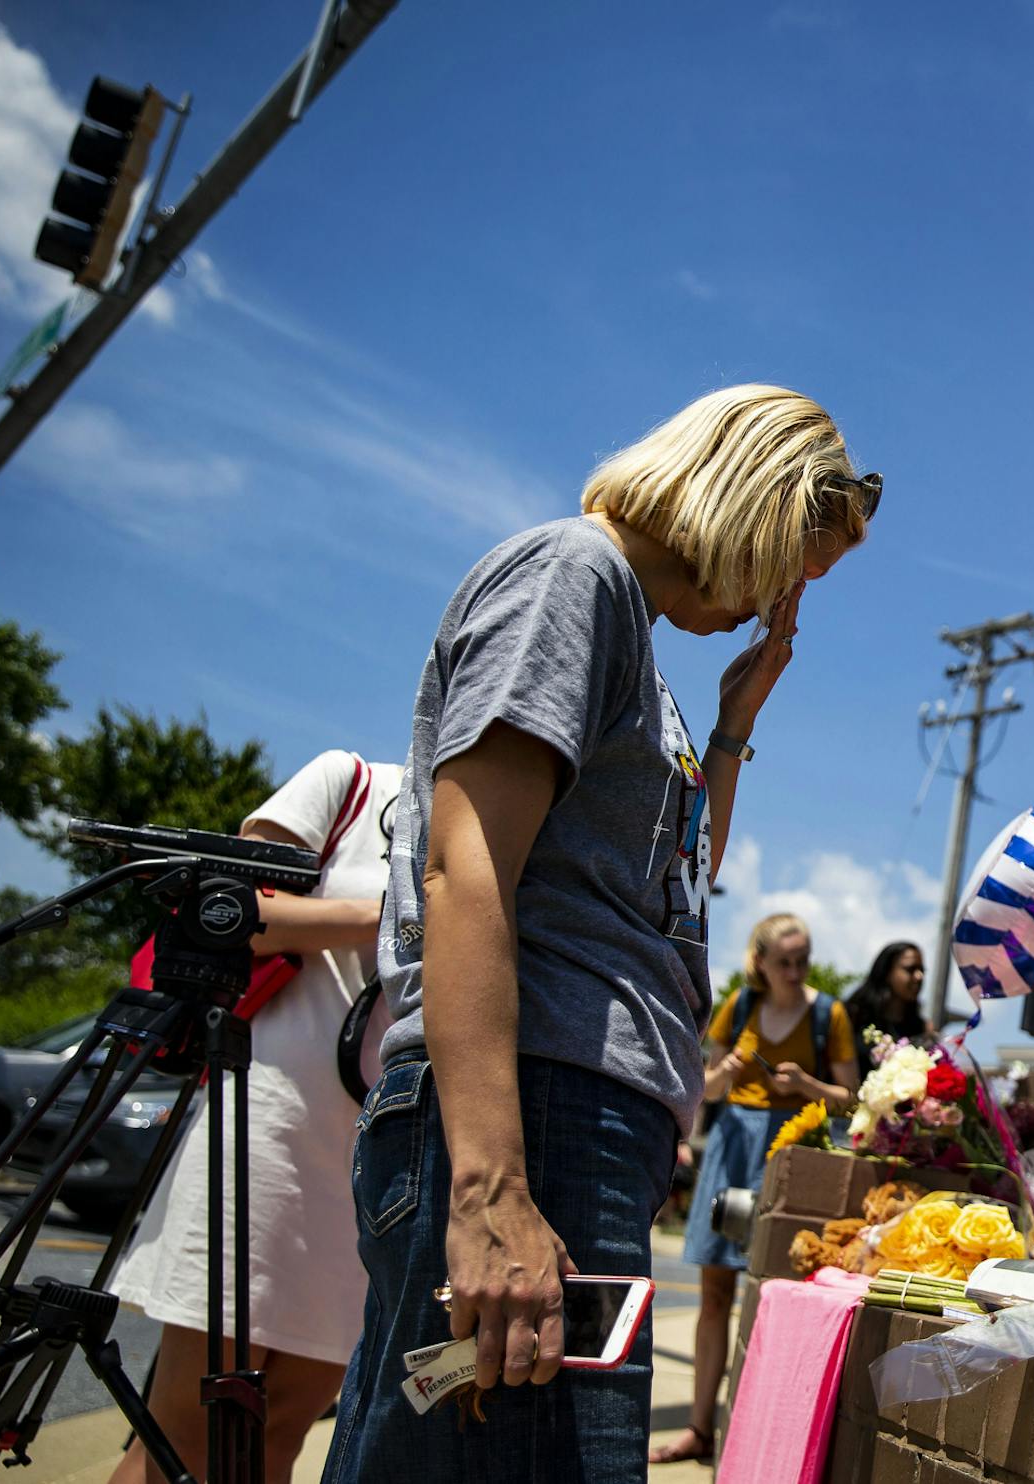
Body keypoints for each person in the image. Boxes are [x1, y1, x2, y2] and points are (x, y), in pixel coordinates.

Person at [320, 385, 877, 1483]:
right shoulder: (576, 577)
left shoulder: (639, 642)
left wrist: (733, 724)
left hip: (579, 1111)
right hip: (534, 1101)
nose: (781, 608)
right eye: (792, 570)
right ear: (753, 504)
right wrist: (490, 1188)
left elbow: (671, 885)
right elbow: (465, 863)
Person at [109, 750, 403, 1484]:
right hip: (267, 1120)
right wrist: (393, 918)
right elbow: (227, 914)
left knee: (278, 1438)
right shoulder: (354, 782)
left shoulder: (502, 824)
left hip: (379, 1162)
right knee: (181, 1433)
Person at [656, 912, 858, 1466]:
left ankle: (753, 1437)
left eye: (803, 961)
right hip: (731, 1148)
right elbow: (706, 1089)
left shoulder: (828, 1014)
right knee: (715, 1294)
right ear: (760, 962)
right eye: (784, 962)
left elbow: (852, 1099)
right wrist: (727, 1071)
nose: (795, 971)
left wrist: (807, 1085)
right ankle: (699, 1430)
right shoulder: (738, 1008)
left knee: (774, 1294)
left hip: (792, 1156)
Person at [841, 939, 929, 1049]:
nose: (919, 976)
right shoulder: (852, 1015)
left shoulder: (922, 1029)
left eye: (922, 970)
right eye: (910, 969)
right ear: (887, 972)